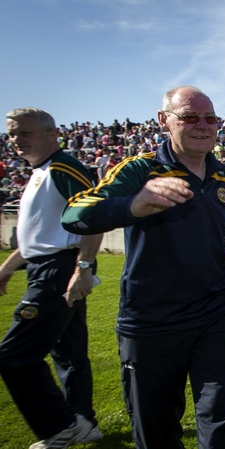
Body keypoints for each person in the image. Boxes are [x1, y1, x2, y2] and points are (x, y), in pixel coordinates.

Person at [62, 86, 225, 449]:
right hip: (151, 322)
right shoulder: (140, 170)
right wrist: (133, 205)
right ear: (164, 121)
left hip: (216, 316)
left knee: (219, 416)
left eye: (211, 118)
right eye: (190, 117)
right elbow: (74, 214)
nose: (203, 125)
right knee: (156, 426)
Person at [0, 108, 103, 448]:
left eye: (23, 133)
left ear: (51, 134)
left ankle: (60, 426)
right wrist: (7, 268)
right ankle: (82, 422)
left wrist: (83, 268)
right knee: (69, 353)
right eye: (12, 134)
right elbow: (37, 237)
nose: (15, 140)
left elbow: (92, 217)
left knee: (14, 356)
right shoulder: (40, 171)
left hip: (60, 271)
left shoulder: (62, 167)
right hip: (48, 266)